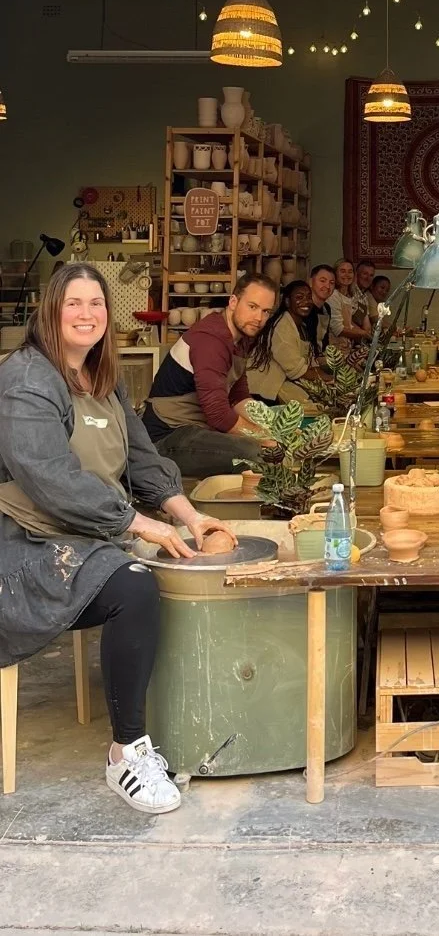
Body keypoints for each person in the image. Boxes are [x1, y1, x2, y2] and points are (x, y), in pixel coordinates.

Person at [0, 264, 236, 814]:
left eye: (97, 304)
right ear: (51, 312)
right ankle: (127, 752)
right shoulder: (27, 379)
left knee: (153, 566)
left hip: (84, 532)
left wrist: (190, 516)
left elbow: (142, 458)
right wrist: (145, 525)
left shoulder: (104, 376)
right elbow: (51, 480)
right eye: (74, 304)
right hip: (24, 543)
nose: (87, 315)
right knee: (134, 585)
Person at [142, 274, 277, 478]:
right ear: (233, 302)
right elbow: (218, 414)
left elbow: (238, 397)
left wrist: (276, 428)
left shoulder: (239, 338)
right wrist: (264, 437)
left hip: (197, 429)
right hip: (167, 437)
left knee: (269, 444)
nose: (259, 318)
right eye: (252, 306)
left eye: (265, 311)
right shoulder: (210, 340)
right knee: (252, 452)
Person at [247, 280, 329, 410]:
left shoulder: (301, 326)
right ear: (287, 302)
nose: (306, 301)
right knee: (312, 408)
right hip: (265, 391)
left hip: (281, 384)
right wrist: (332, 379)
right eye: (299, 297)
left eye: (308, 297)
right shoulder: (282, 327)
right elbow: (296, 371)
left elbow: (309, 363)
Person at [328, 258, 372, 347]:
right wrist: (365, 334)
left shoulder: (350, 296)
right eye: (343, 271)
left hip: (347, 346)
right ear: (335, 274)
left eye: (350, 271)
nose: (347, 275)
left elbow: (349, 324)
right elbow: (338, 329)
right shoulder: (333, 295)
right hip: (334, 349)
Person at [306, 264, 336, 356]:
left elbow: (325, 341)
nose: (327, 286)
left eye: (331, 283)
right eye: (322, 281)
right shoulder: (304, 308)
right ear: (311, 282)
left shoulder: (326, 308)